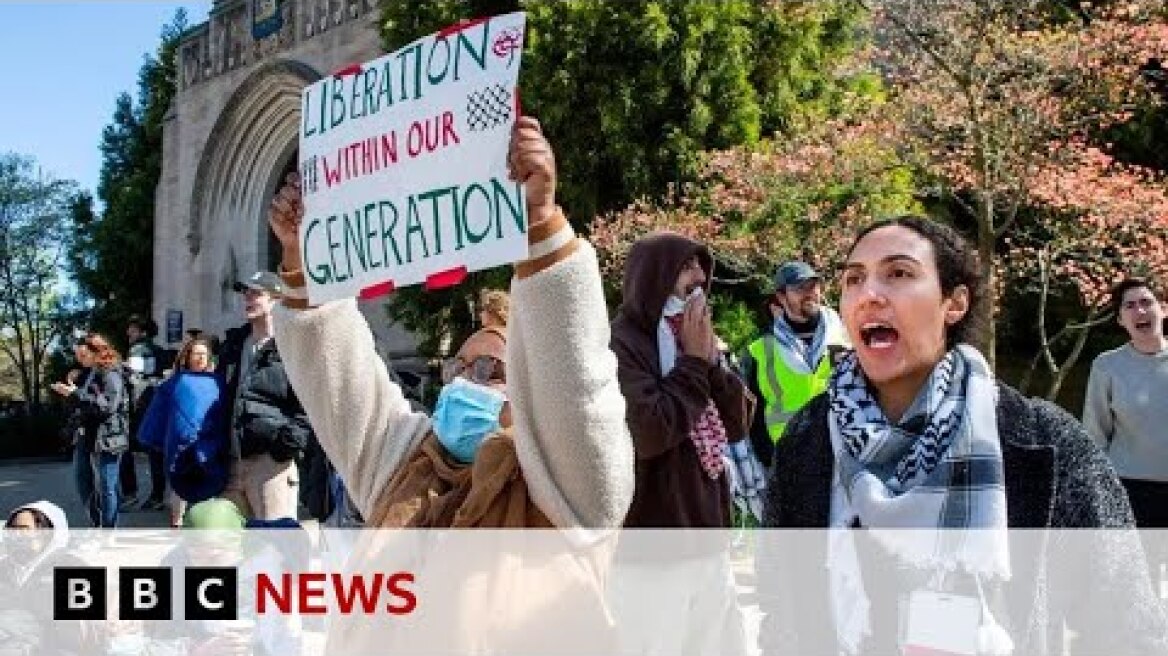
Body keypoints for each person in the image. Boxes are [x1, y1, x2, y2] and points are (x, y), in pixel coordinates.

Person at [267, 116, 634, 653]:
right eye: (460, 367)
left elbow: (577, 386)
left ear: (529, 388)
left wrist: (539, 223)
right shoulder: (406, 467)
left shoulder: (565, 491)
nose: (467, 380)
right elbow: (336, 378)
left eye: (491, 370)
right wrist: (303, 259)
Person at [758, 215, 1168, 655]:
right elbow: (784, 613)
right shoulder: (808, 440)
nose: (868, 295)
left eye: (898, 273)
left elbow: (1125, 629)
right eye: (854, 279)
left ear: (953, 303)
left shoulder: (1043, 440)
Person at [607, 231, 754, 655]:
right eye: (686, 266)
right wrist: (692, 361)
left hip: (708, 535)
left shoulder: (694, 332)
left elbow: (739, 422)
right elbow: (649, 430)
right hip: (653, 545)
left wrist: (708, 361)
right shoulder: (623, 342)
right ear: (654, 276)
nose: (699, 276)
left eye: (700, 266)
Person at [216, 272, 313, 520]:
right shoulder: (234, 345)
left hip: (271, 466)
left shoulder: (292, 345)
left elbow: (309, 407)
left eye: (256, 293)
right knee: (230, 546)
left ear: (276, 300)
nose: (247, 298)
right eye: (245, 293)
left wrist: (283, 449)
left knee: (276, 548)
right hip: (232, 464)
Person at [740, 260, 849, 468]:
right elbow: (753, 419)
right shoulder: (759, 351)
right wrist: (772, 462)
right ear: (781, 297)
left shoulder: (846, 336)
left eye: (813, 286)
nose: (810, 293)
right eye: (800, 288)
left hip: (844, 456)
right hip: (789, 463)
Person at [1083, 279, 1168, 527]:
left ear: (1163, 308)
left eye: (1146, 302)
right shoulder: (1107, 366)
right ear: (1120, 320)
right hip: (1129, 489)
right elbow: (1094, 434)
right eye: (1129, 306)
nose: (1139, 311)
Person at [139, 337, 228, 528]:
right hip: (179, 450)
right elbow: (159, 413)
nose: (200, 358)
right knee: (179, 493)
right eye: (196, 354)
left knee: (208, 496)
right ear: (187, 357)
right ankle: (177, 527)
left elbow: (223, 413)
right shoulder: (174, 383)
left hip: (210, 448)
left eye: (204, 354)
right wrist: (155, 440)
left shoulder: (219, 383)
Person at [52, 333, 131, 528]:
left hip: (108, 437)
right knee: (83, 483)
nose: (80, 359)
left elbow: (107, 407)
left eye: (83, 355)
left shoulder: (112, 373)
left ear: (98, 352)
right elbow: (82, 403)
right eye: (78, 355)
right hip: (85, 435)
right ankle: (96, 524)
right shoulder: (87, 373)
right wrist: (69, 393)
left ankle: (108, 530)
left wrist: (75, 394)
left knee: (107, 487)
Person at [0, 501, 88, 655]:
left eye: (23, 531)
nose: (15, 536)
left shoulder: (73, 566)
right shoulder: (4, 567)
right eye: (11, 530)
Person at [123, 314, 168, 512]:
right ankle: (158, 494)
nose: (128, 333)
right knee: (155, 451)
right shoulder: (159, 350)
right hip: (155, 402)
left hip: (139, 404)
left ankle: (130, 493)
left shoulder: (138, 349)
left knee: (123, 447)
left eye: (132, 329)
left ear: (142, 332)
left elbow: (134, 377)